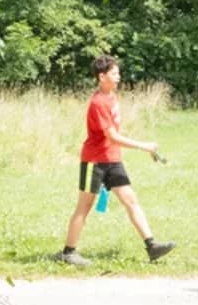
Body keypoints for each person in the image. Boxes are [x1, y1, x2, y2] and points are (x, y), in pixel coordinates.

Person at [55, 55, 175, 267]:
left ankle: (152, 247)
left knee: (131, 200)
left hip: (113, 159)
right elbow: (112, 137)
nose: (118, 76)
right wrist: (144, 146)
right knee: (84, 206)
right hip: (94, 161)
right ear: (102, 76)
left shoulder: (111, 97)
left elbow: (113, 137)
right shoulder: (98, 103)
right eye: (114, 73)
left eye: (118, 73)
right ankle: (68, 253)